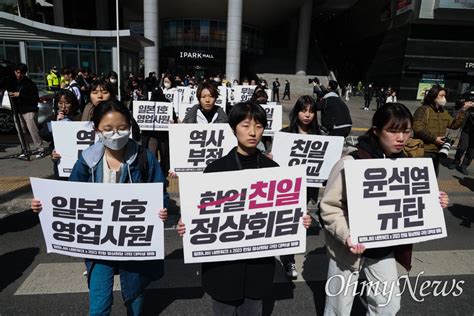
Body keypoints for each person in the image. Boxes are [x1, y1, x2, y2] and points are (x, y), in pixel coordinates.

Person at [31, 100, 169, 315]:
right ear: (97, 130)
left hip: (132, 242)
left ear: (130, 127)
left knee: (135, 296)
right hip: (98, 243)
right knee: (99, 303)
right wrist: (45, 205)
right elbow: (70, 196)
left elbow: (161, 193)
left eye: (122, 128)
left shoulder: (144, 158)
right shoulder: (88, 160)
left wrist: (162, 209)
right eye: (108, 129)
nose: (116, 134)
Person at [177, 101, 312, 315]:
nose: (252, 132)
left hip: (257, 269)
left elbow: (283, 213)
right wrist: (187, 225)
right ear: (233, 128)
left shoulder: (273, 170)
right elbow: (199, 213)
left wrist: (299, 220)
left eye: (259, 126)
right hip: (222, 269)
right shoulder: (215, 169)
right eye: (245, 125)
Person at [320, 102, 450, 315]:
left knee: (388, 305)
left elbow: (411, 200)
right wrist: (347, 235)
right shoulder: (351, 162)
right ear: (376, 131)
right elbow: (329, 207)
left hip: (383, 249)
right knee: (338, 308)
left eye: (406, 131)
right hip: (348, 250)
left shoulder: (407, 164)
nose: (401, 138)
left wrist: (434, 201)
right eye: (393, 130)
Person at [278, 95, 321, 278]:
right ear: (297, 112)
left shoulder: (319, 137)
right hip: (287, 187)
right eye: (304, 110)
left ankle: (289, 259)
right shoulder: (285, 133)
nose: (307, 115)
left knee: (299, 224)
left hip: (305, 188)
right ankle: (288, 261)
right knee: (287, 223)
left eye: (311, 111)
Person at [413, 85, 471, 176]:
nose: (444, 98)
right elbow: (418, 128)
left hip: (438, 151)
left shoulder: (443, 112)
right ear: (433, 96)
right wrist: (434, 139)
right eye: (441, 95)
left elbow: (454, 125)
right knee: (422, 177)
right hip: (423, 150)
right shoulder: (423, 110)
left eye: (445, 96)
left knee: (433, 176)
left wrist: (463, 110)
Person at [40, 89, 80, 180]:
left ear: (73, 104)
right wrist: (56, 123)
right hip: (60, 159)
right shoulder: (53, 118)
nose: (63, 107)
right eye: (60, 103)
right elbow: (44, 134)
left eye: (67, 103)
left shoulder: (79, 117)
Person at [8, 63, 45, 158]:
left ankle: (40, 149)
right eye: (17, 72)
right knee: (21, 131)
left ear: (25, 73)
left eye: (21, 73)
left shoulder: (29, 83)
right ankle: (25, 149)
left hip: (29, 110)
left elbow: (35, 98)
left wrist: (20, 95)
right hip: (17, 111)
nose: (19, 75)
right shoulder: (12, 82)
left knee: (33, 131)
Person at [448, 90, 474, 175]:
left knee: (471, 151)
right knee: (462, 147)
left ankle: (464, 166)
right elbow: (455, 115)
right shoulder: (467, 96)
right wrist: (465, 107)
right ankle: (456, 161)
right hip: (466, 129)